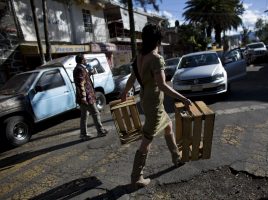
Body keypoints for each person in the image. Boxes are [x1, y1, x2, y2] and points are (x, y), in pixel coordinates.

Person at [121, 23, 192, 188]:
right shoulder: (156, 58)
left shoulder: (139, 57)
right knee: (147, 139)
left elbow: (132, 78)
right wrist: (183, 98)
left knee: (168, 126)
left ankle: (176, 157)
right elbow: (162, 85)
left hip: (147, 101)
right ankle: (136, 177)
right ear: (157, 41)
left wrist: (125, 92)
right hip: (153, 104)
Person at [73, 54, 108, 140]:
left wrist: (89, 73)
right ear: (82, 60)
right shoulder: (80, 69)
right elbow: (81, 84)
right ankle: (100, 131)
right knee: (95, 113)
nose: (86, 61)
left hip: (83, 97)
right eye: (85, 59)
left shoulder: (79, 68)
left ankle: (83, 134)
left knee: (84, 115)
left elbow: (83, 79)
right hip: (86, 97)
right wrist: (84, 98)